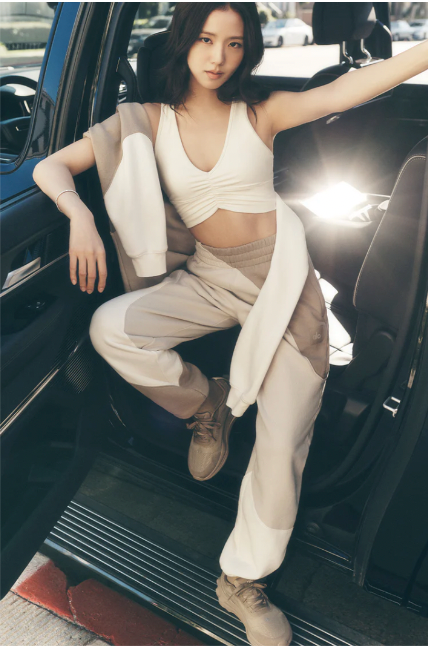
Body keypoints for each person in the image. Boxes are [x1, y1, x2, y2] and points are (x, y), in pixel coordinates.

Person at [33, 4, 428, 645]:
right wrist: (78, 216)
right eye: (206, 40)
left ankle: (242, 581)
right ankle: (206, 404)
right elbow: (50, 167)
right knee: (111, 329)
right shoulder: (145, 121)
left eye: (235, 44)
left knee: (282, 441)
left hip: (285, 288)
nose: (218, 57)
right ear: (183, 42)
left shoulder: (260, 113)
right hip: (211, 276)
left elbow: (350, 89)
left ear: (248, 52)